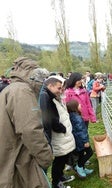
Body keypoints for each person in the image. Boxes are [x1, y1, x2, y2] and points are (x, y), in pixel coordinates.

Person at [0, 57, 53, 187]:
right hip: (21, 160)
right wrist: (46, 157)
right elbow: (30, 129)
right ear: (33, 75)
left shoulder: (10, 89)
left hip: (10, 155)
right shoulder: (22, 91)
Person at [39, 76, 76, 188]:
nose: (60, 91)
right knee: (59, 160)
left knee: (63, 157)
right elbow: (50, 119)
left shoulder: (52, 96)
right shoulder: (46, 98)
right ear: (50, 85)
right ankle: (56, 183)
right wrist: (62, 128)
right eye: (59, 88)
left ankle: (60, 176)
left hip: (63, 135)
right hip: (59, 135)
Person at [66, 99, 94, 178]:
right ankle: (79, 166)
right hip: (81, 141)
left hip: (77, 141)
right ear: (74, 107)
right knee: (90, 153)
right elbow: (81, 130)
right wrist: (85, 141)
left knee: (81, 154)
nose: (81, 106)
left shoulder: (71, 116)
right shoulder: (77, 118)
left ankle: (83, 168)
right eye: (79, 105)